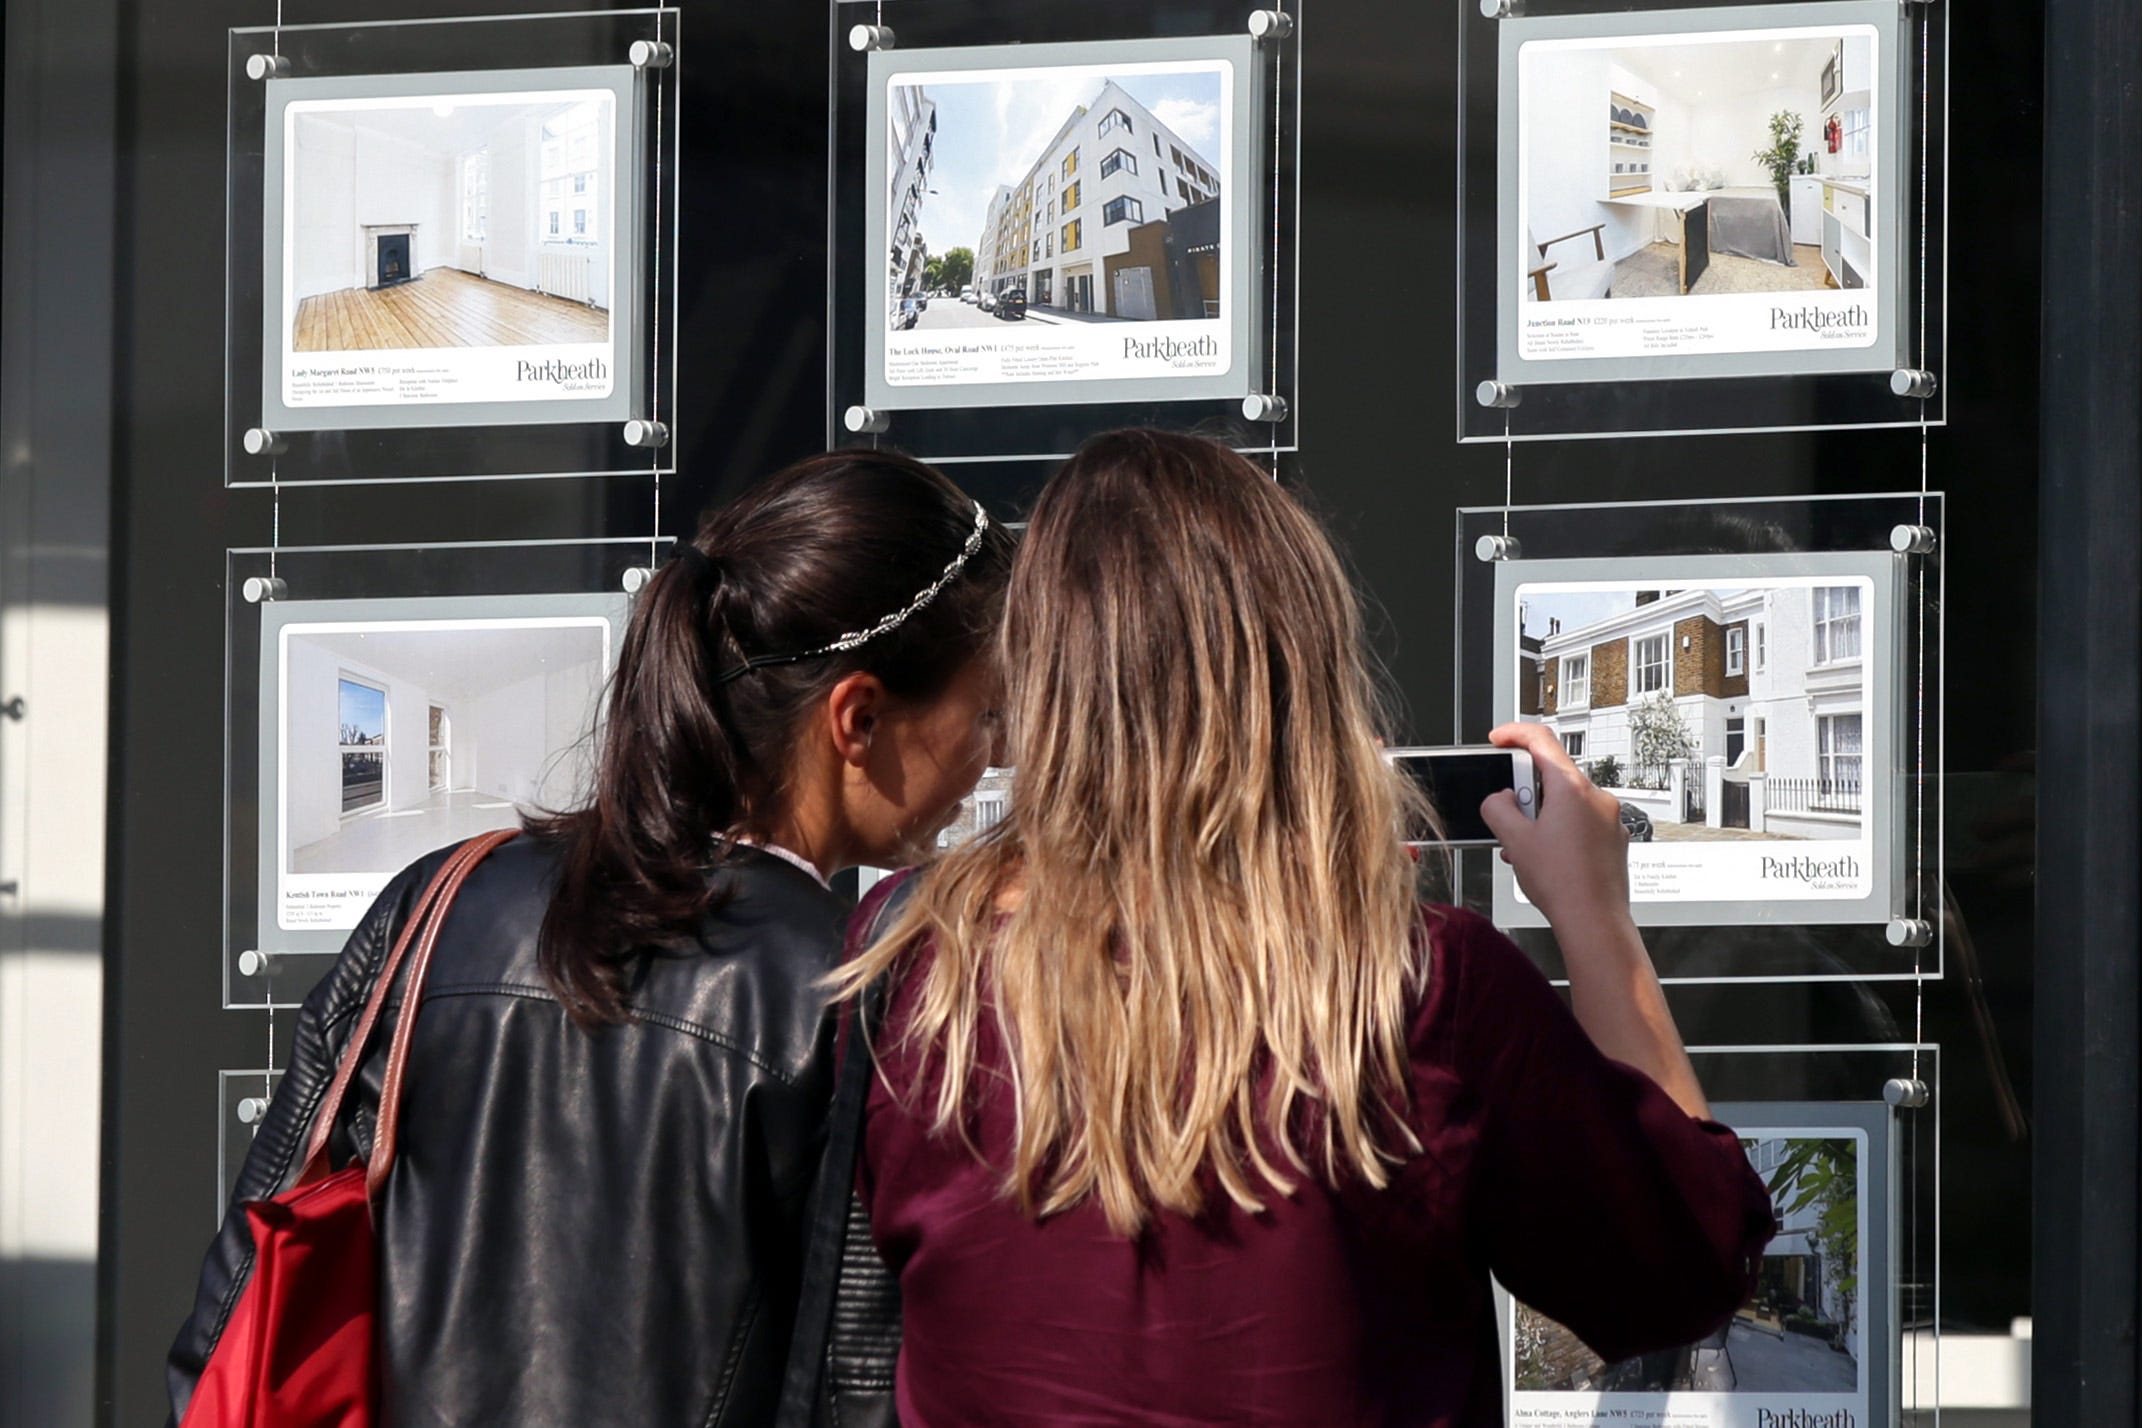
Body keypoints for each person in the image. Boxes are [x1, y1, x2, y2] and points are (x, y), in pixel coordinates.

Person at [835, 429, 1777, 1426]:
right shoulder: (1425, 988)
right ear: (1303, 670)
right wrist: (1597, 919)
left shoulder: (904, 969)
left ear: (1039, 680)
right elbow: (1688, 1266)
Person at [166, 449, 1014, 1427]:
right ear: (858, 717)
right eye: (983, 710)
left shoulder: (436, 903)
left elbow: (236, 1313)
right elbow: (862, 1385)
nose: (992, 752)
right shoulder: (856, 985)